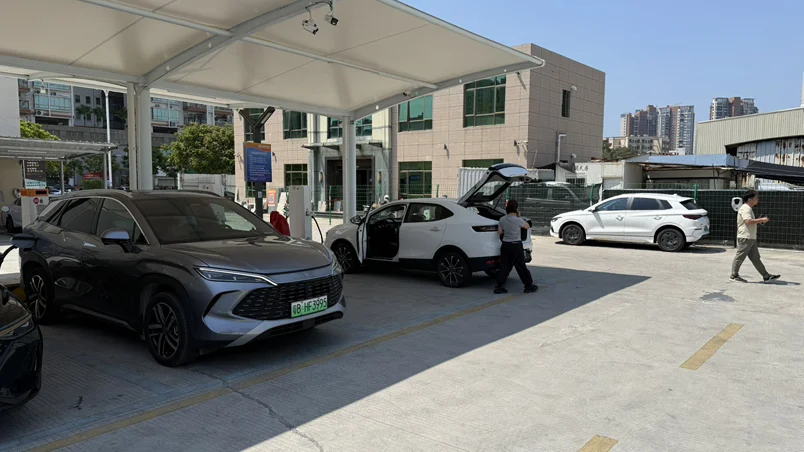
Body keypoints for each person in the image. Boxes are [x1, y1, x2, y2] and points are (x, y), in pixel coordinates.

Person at [730, 191, 780, 283]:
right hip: (746, 237)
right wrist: (761, 220)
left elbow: (749, 222)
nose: (758, 200)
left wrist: (759, 221)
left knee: (755, 258)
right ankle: (734, 275)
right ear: (750, 199)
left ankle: (766, 276)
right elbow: (748, 221)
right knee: (740, 257)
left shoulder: (748, 208)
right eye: (756, 198)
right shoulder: (746, 208)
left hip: (750, 237)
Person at [494, 199, 538, 294]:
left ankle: (499, 286)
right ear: (516, 209)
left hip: (506, 245)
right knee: (521, 266)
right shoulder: (518, 220)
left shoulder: (502, 219)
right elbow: (527, 226)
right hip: (516, 246)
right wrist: (519, 216)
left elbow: (500, 232)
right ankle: (528, 285)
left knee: (504, 266)